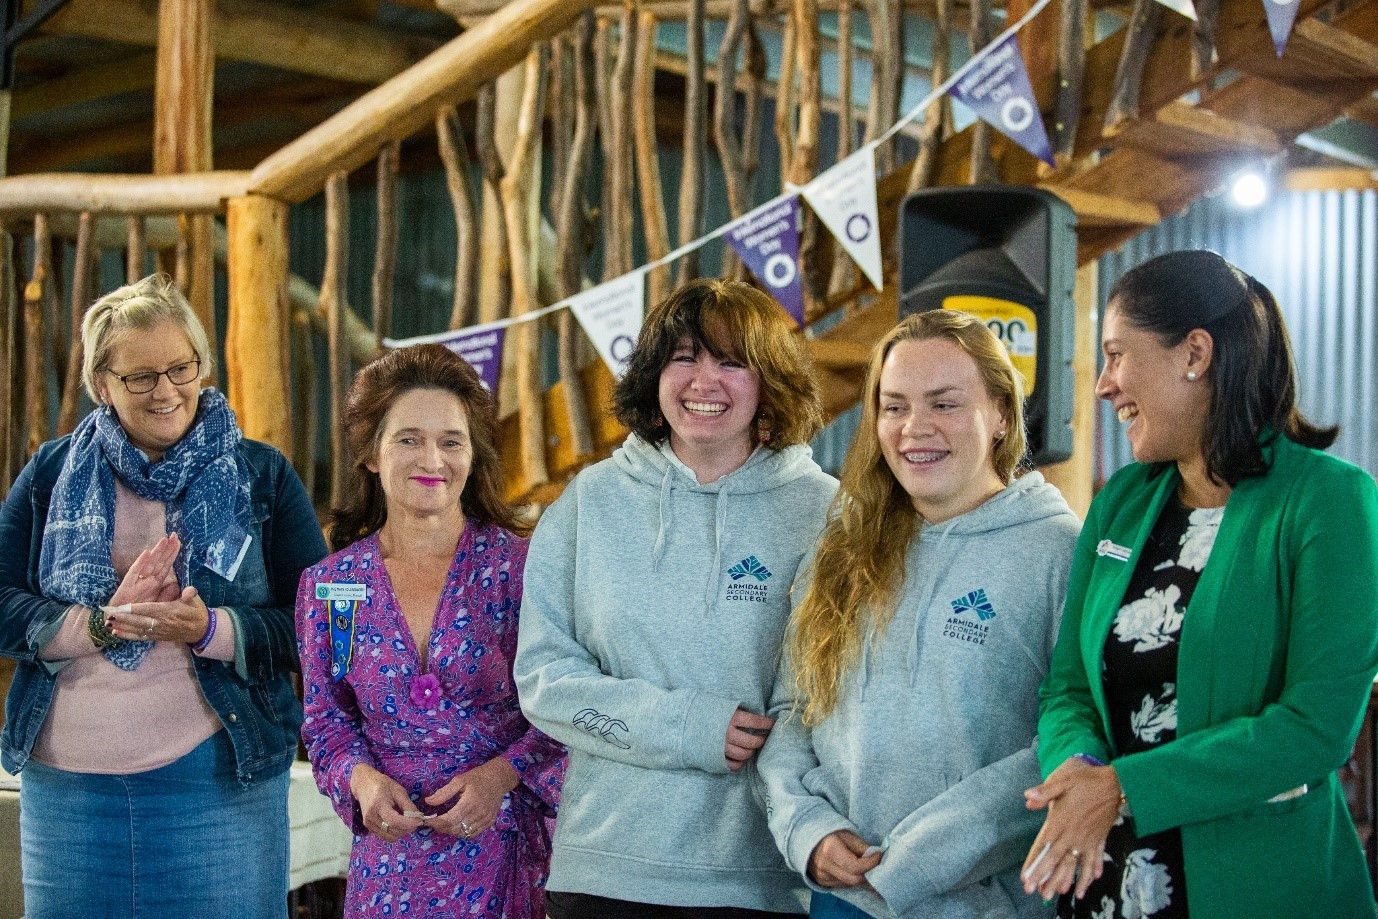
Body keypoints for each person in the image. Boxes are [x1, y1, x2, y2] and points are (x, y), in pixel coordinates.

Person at [1022, 249, 1378, 919]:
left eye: (1117, 354)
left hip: (1259, 887)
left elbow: (1316, 728)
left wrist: (1122, 786)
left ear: (1195, 353)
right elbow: (1068, 683)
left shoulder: (1330, 502)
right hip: (1107, 887)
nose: (1102, 384)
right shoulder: (1122, 500)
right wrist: (1075, 769)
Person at [0, 273, 325, 917]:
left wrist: (210, 629)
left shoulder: (262, 475)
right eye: (139, 377)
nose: (166, 391)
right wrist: (97, 625)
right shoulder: (50, 472)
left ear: (203, 365)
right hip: (68, 794)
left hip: (219, 784)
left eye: (180, 368)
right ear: (102, 385)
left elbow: (315, 627)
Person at [514, 278, 836, 918]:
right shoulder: (589, 503)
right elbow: (544, 681)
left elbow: (816, 693)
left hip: (757, 875)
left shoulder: (822, 511)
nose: (703, 381)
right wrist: (688, 728)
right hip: (603, 870)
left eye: (731, 361)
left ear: (768, 378)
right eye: (683, 356)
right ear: (654, 375)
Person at [755, 309, 1080, 919]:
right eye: (894, 405)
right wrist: (807, 830)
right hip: (840, 898)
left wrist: (918, 860)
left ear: (1001, 415)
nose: (914, 429)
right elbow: (794, 709)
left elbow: (1067, 743)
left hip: (985, 905)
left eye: (944, 404)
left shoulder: (1058, 551)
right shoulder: (841, 550)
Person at [297, 343, 564, 919]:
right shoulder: (333, 585)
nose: (433, 460)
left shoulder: (521, 570)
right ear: (370, 453)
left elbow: (568, 706)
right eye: (409, 439)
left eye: (452, 441)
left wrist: (500, 776)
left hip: (503, 853)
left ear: (474, 454)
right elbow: (326, 722)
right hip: (386, 868)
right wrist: (362, 780)